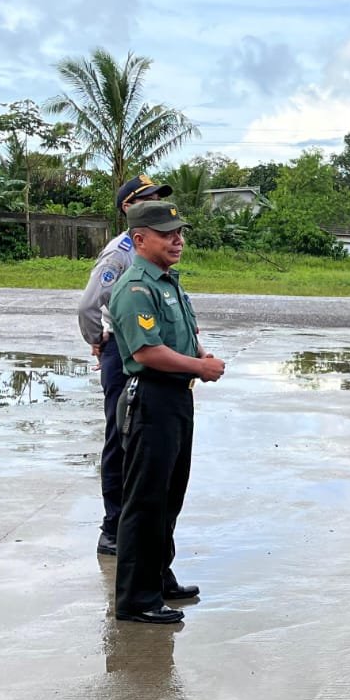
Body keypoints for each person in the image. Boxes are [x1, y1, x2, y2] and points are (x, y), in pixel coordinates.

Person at [108, 199, 226, 625]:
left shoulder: (167, 283)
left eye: (179, 233)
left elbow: (181, 334)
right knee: (146, 501)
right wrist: (199, 367)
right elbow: (146, 351)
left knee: (169, 496)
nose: (177, 240)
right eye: (166, 234)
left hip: (175, 398)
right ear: (140, 239)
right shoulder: (135, 288)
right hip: (151, 399)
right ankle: (136, 599)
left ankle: (158, 577)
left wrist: (200, 354)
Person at [78, 174, 171, 555]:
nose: (156, 204)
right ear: (128, 208)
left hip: (152, 347)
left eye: (158, 198)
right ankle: (112, 528)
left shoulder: (158, 244)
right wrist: (98, 340)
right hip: (123, 349)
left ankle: (137, 524)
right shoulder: (120, 252)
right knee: (121, 436)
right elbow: (89, 304)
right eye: (147, 199)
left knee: (145, 439)